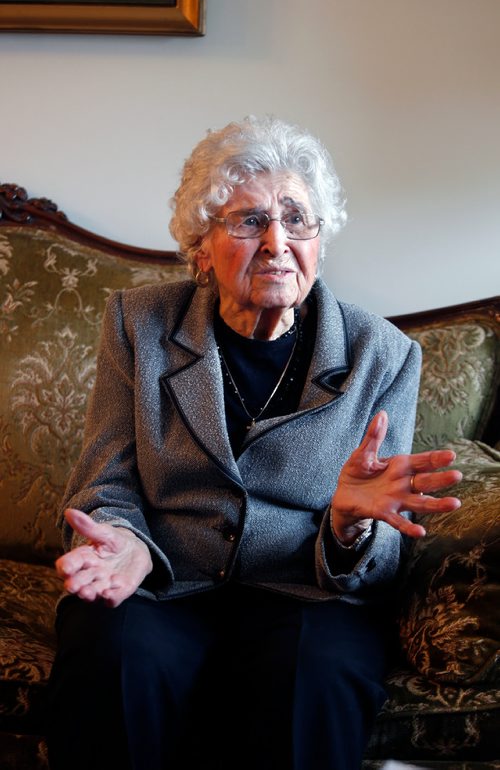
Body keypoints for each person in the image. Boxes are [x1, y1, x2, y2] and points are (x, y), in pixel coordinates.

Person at [47, 116, 461, 770]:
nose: (276, 241)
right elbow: (108, 482)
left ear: (319, 241)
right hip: (167, 579)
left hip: (306, 596)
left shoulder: (382, 356)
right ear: (200, 246)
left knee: (315, 675)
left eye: (297, 219)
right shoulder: (138, 323)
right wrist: (119, 538)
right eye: (247, 221)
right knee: (113, 647)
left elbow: (385, 556)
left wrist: (348, 526)